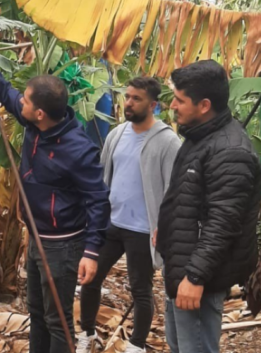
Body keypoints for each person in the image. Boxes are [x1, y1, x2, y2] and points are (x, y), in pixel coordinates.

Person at [0, 46, 111, 353]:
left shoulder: (78, 150)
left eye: (26, 100)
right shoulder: (34, 123)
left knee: (57, 320)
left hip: (62, 245)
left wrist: (91, 252)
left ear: (40, 112)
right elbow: (5, 92)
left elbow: (98, 200)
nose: (19, 102)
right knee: (37, 314)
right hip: (37, 237)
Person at [155, 61, 261, 353]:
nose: (172, 106)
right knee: (180, 345)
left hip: (199, 274)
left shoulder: (230, 151)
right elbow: (188, 197)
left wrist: (195, 277)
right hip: (183, 265)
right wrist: (165, 230)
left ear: (204, 105)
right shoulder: (200, 137)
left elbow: (223, 223)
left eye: (179, 100)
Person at [77, 77, 181, 353]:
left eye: (137, 99)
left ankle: (136, 345)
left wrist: (166, 226)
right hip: (111, 223)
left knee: (140, 289)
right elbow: (103, 175)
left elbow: (175, 188)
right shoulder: (117, 134)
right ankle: (87, 334)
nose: (129, 103)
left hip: (144, 229)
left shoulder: (168, 142)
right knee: (91, 278)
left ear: (153, 105)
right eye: (128, 97)